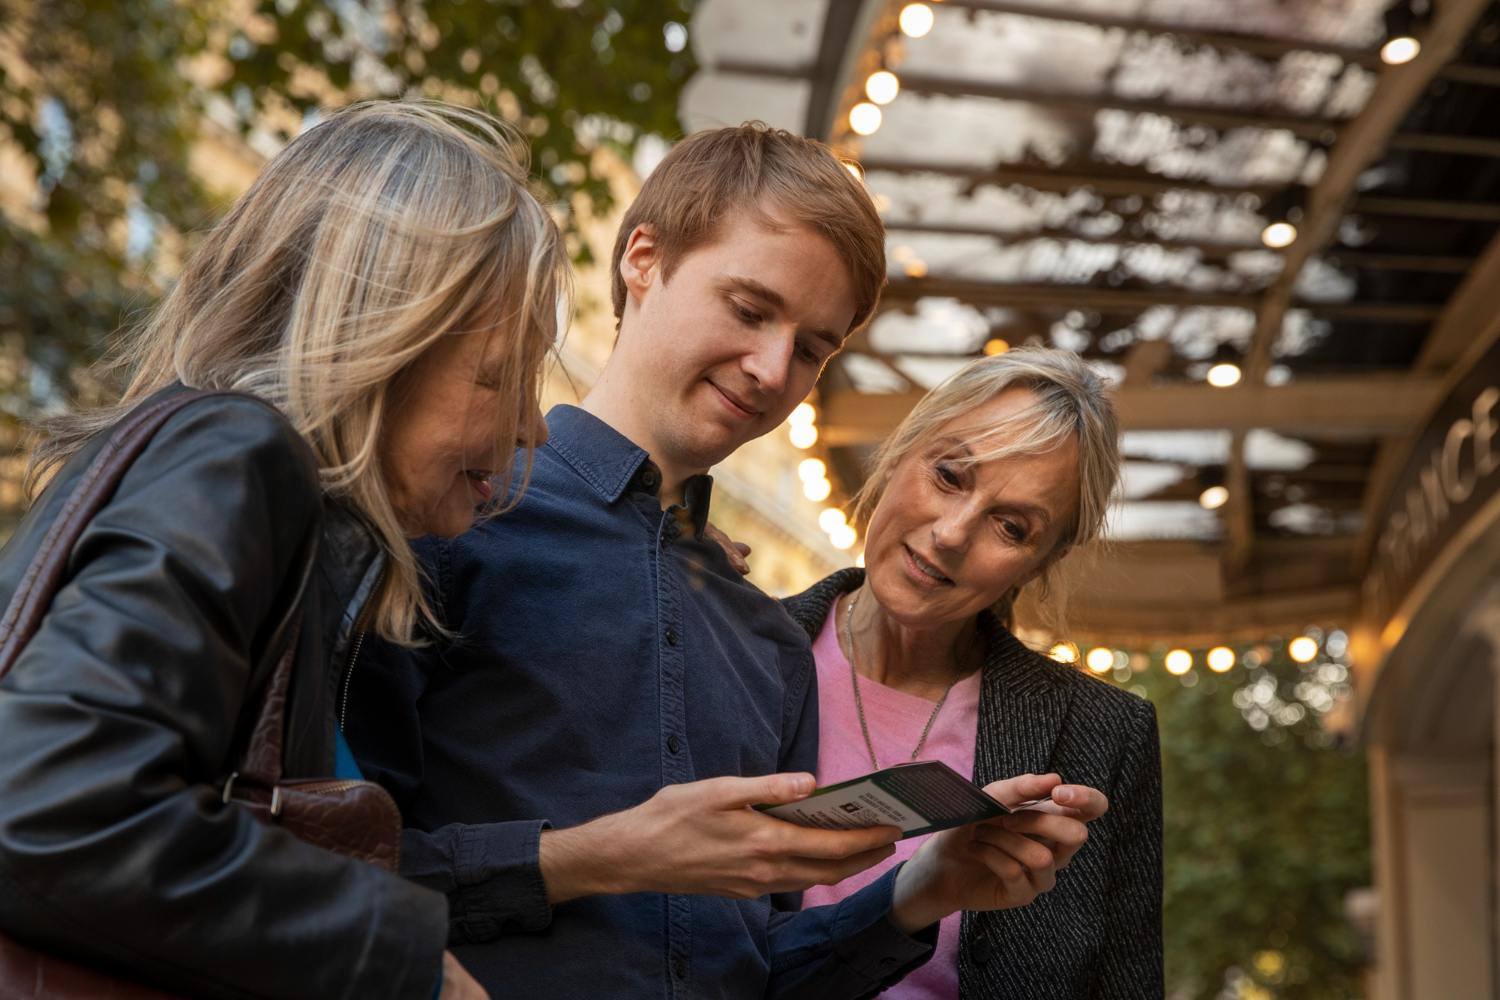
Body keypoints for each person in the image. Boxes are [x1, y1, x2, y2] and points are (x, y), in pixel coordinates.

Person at [346, 123, 1110, 999]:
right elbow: (317, 875)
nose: (772, 368)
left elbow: (752, 971)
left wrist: (919, 890)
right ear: (643, 258)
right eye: (750, 309)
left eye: (814, 348)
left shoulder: (766, 640)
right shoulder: (449, 516)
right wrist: (600, 858)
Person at [0, 100, 569, 999]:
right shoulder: (243, 458)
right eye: (505, 374)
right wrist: (407, 959)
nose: (534, 426)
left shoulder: (286, 526)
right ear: (385, 343)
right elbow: (49, 806)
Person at [781, 347, 1163, 999]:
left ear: (1041, 562)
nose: (954, 533)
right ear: (901, 451)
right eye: (951, 475)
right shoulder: (724, 648)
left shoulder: (1102, 737)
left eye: (1011, 526)